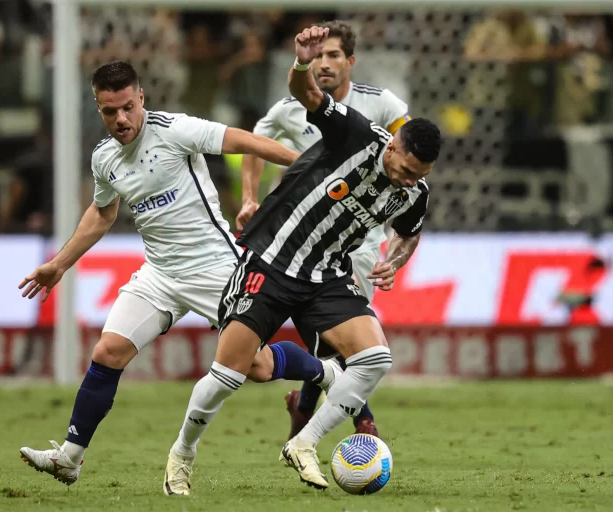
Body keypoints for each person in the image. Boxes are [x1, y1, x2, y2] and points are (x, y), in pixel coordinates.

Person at [17, 61, 342, 486]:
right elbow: (103, 212)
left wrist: (313, 169)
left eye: (128, 107)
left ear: (141, 99)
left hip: (217, 269)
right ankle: (70, 457)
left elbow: (247, 142)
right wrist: (59, 264)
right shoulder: (105, 159)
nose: (121, 119)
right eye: (109, 111)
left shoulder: (176, 131)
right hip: (159, 275)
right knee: (107, 352)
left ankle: (327, 373)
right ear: (98, 108)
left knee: (258, 368)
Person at [163, 26, 441, 494]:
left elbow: (409, 233)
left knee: (374, 358)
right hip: (271, 260)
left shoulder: (415, 193)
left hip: (326, 274)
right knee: (231, 372)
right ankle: (182, 454)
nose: (408, 181)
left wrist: (396, 259)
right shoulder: (354, 132)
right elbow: (305, 92)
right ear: (392, 147)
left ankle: (305, 442)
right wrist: (300, 62)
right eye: (406, 170)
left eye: (420, 176)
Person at [238, 19, 411, 441]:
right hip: (306, 240)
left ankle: (305, 406)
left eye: (334, 55)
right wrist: (248, 197)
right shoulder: (290, 109)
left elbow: (410, 159)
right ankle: (361, 421)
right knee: (336, 337)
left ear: (350, 61)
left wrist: (397, 240)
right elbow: (252, 143)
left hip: (364, 241)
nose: (326, 63)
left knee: (339, 338)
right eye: (319, 55)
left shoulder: (382, 105)